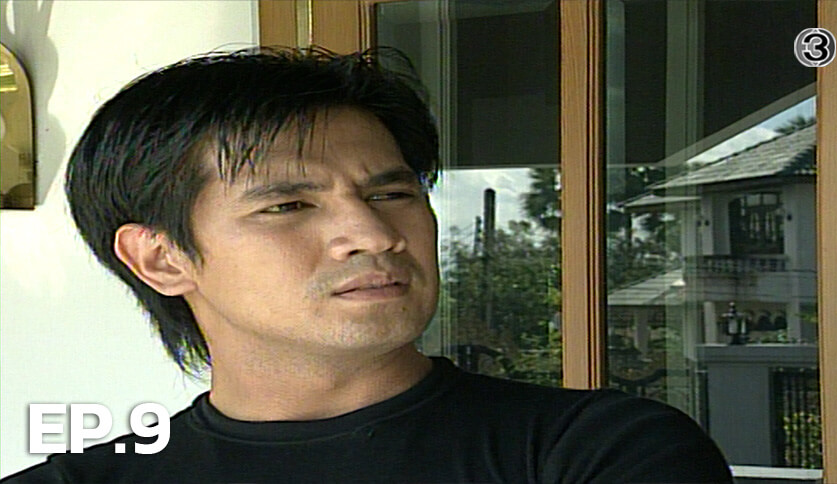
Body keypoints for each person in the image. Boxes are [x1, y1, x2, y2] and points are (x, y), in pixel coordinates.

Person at [2, 47, 732, 483]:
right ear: (161, 259)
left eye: (392, 193)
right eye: (289, 205)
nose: (373, 234)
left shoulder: (594, 452)